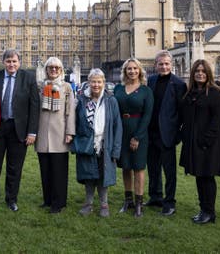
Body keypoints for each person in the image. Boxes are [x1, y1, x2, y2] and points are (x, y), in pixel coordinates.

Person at [179, 60, 220, 224]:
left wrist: (205, 141)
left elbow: (217, 121)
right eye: (197, 71)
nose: (200, 73)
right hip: (194, 142)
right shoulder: (190, 93)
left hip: (209, 144)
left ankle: (210, 212)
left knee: (207, 177)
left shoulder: (216, 93)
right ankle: (203, 209)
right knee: (199, 177)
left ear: (208, 73)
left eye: (203, 71)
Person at [0, 49, 40, 212]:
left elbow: (34, 106)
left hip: (19, 129)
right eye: (8, 61)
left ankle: (11, 199)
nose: (11, 64)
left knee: (14, 167)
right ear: (3, 62)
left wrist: (32, 132)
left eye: (14, 61)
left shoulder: (28, 78)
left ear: (19, 62)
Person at [74, 69, 122, 218]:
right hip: (87, 144)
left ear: (103, 83)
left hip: (104, 143)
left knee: (103, 176)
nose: (96, 85)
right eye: (93, 81)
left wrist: (116, 150)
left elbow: (117, 125)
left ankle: (104, 204)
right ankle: (88, 204)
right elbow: (75, 122)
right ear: (89, 82)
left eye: (99, 81)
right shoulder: (82, 100)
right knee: (89, 175)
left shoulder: (111, 100)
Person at [146, 50, 187, 216]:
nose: (164, 67)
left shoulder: (178, 84)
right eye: (160, 64)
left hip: (167, 134)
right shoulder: (151, 81)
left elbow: (183, 113)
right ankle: (155, 196)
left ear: (171, 65)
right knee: (153, 168)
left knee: (169, 171)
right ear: (156, 65)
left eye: (166, 64)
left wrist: (177, 135)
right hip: (151, 133)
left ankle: (169, 202)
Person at [35, 57, 75, 214]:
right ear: (46, 70)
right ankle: (48, 199)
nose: (53, 70)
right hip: (43, 133)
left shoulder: (66, 87)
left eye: (57, 68)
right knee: (45, 170)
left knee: (59, 171)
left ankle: (59, 202)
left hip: (60, 133)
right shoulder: (39, 87)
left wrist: (70, 132)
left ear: (61, 70)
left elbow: (70, 111)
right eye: (50, 67)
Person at [114, 58, 153, 218]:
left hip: (139, 131)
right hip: (121, 131)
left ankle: (139, 203)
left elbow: (147, 115)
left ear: (140, 71)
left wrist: (137, 136)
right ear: (125, 71)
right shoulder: (118, 88)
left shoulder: (145, 91)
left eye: (135, 69)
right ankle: (128, 200)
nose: (132, 71)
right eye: (129, 69)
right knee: (125, 167)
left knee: (138, 168)